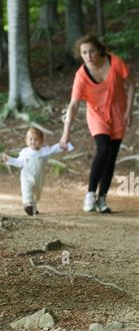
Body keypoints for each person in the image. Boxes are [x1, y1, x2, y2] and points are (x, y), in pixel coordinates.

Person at [60, 35, 135, 213]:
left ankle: (102, 199)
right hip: (96, 115)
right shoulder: (81, 76)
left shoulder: (116, 63)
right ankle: (90, 194)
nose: (88, 56)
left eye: (91, 51)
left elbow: (132, 85)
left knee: (111, 157)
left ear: (99, 49)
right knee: (103, 148)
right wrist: (66, 133)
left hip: (118, 112)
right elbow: (73, 105)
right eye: (84, 53)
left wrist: (129, 111)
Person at [2, 127, 73, 215]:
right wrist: (9, 159)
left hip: (39, 178)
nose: (33, 141)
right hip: (26, 177)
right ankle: (27, 205)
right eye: (30, 139)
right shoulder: (24, 152)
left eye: (36, 139)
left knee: (37, 194)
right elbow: (18, 162)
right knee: (27, 191)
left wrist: (62, 145)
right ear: (26, 140)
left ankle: (33, 206)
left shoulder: (44, 151)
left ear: (41, 141)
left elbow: (53, 150)